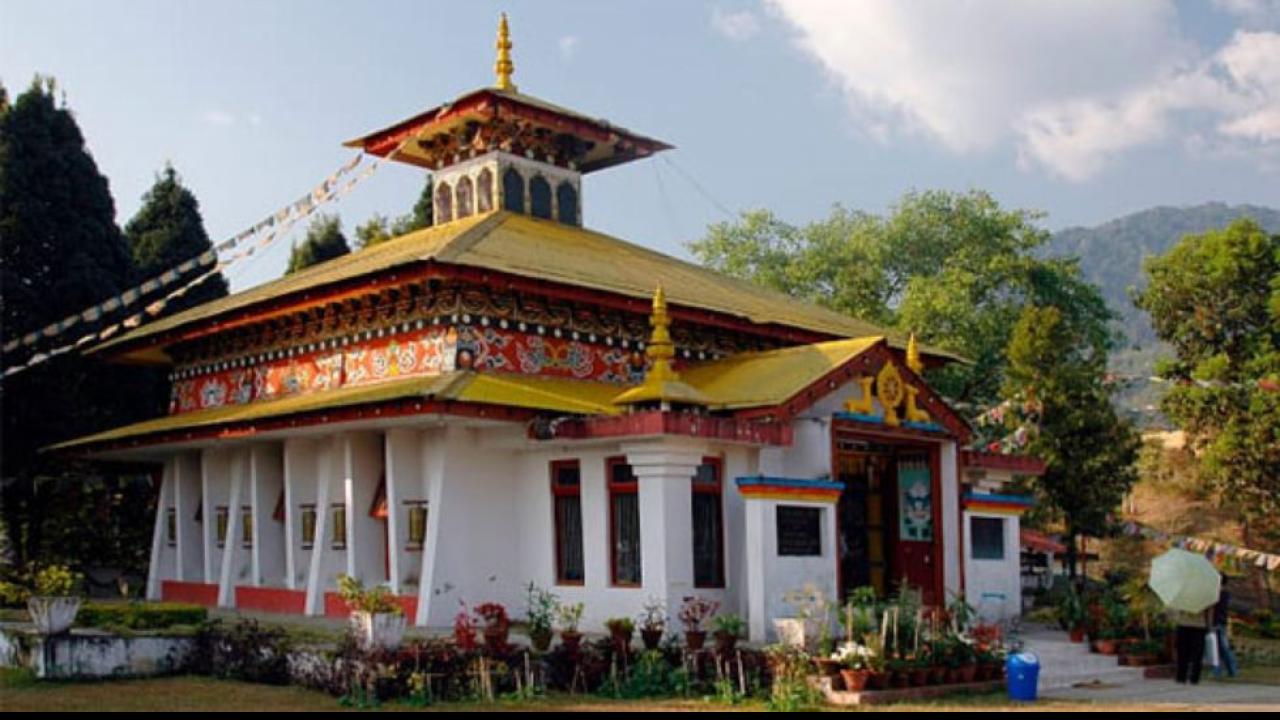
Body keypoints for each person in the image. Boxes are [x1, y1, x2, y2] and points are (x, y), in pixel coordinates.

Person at [1171, 606, 1210, 685]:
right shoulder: (1204, 597)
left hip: (1186, 625)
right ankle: (1194, 678)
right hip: (1197, 625)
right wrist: (1209, 624)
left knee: (1183, 652)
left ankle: (1182, 677)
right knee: (1196, 653)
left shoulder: (1182, 595)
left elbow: (1177, 611)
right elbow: (1208, 611)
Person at [1211, 575, 1238, 680]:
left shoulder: (1220, 594)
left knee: (1221, 647)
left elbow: (1214, 609)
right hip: (1220, 622)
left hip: (1218, 622)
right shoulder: (1223, 594)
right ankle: (1224, 670)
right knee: (1220, 647)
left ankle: (1228, 669)